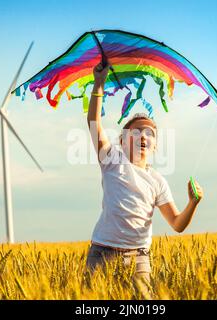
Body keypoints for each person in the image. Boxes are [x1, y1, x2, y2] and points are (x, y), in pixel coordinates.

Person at [85, 62, 203, 297]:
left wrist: (192, 203)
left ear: (156, 145)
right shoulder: (112, 161)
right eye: (136, 131)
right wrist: (99, 84)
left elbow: (177, 224)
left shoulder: (157, 181)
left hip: (139, 258)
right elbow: (94, 123)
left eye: (150, 133)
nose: (143, 136)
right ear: (122, 140)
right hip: (102, 253)